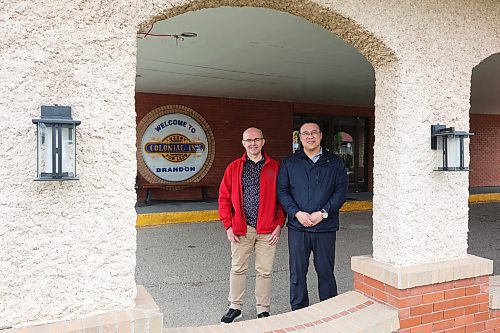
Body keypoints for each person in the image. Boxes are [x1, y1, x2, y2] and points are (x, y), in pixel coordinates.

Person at [277, 119, 348, 311]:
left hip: (325, 226)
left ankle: (329, 309)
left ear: (321, 136)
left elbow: (341, 192)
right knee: (297, 272)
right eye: (305, 133)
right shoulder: (290, 163)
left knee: (325, 271)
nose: (310, 136)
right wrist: (296, 213)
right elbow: (282, 191)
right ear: (299, 138)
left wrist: (323, 213)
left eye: (314, 133)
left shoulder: (334, 162)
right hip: (298, 227)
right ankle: (299, 310)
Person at [218, 127, 285, 323]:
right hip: (241, 228)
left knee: (264, 271)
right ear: (243, 143)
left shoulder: (275, 167)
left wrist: (279, 224)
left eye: (257, 139)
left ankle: (263, 309)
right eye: (249, 140)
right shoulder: (234, 167)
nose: (253, 143)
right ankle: (235, 307)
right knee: (238, 268)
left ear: (263, 142)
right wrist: (228, 226)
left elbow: (283, 199)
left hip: (268, 229)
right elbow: (223, 198)